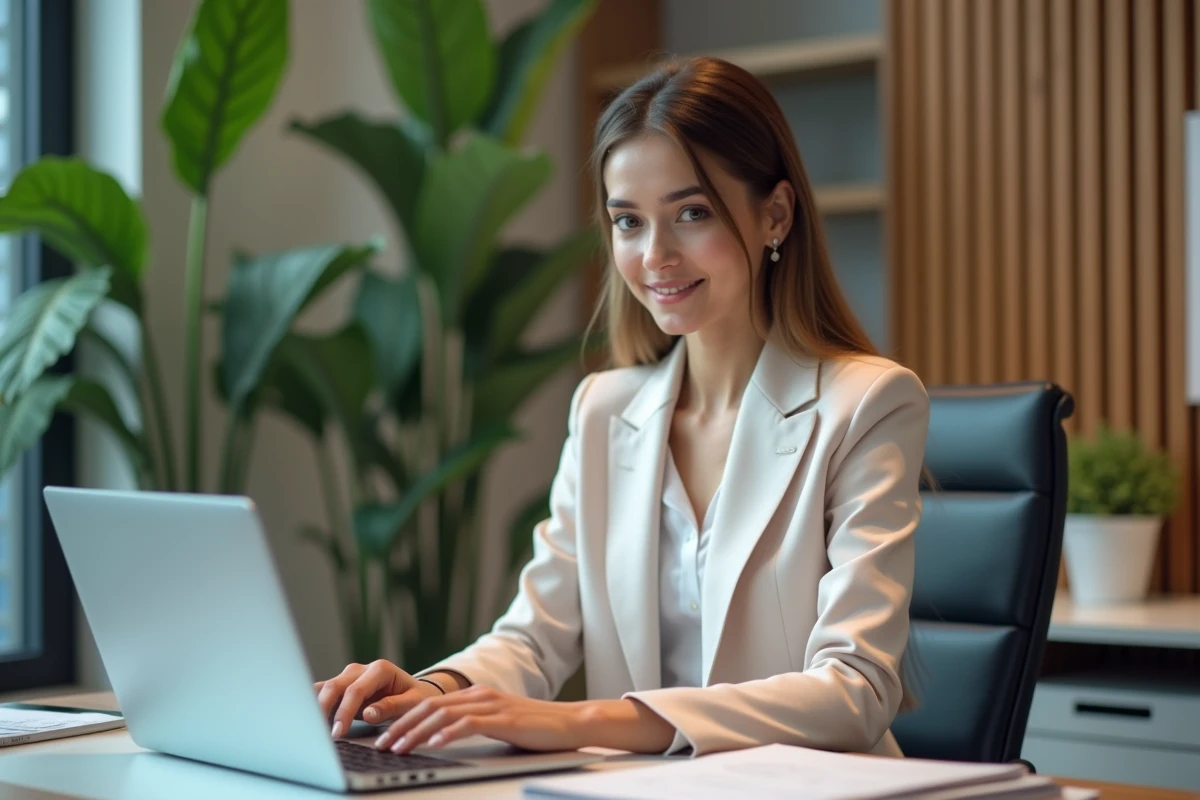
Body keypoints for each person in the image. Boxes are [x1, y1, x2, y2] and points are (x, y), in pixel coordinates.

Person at [315, 56, 930, 759]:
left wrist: (581, 723)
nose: (655, 254)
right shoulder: (605, 410)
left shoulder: (867, 403)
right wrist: (437, 690)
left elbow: (855, 689)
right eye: (628, 222)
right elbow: (535, 636)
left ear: (776, 215)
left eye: (691, 213)